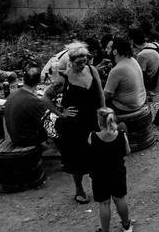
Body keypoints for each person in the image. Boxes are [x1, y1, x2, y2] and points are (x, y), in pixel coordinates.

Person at [46, 44, 103, 203]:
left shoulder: (92, 71)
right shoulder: (63, 78)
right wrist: (61, 113)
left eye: (85, 61)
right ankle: (79, 189)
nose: (82, 65)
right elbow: (45, 97)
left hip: (92, 119)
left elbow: (100, 93)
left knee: (96, 154)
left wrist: (103, 113)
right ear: (70, 61)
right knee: (76, 158)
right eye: (79, 62)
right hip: (74, 124)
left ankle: (97, 186)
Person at [89, 108, 133, 232]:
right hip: (117, 172)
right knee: (120, 199)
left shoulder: (92, 136)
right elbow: (128, 152)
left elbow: (89, 155)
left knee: (104, 203)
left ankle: (105, 230)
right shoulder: (121, 135)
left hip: (99, 174)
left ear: (99, 122)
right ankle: (126, 225)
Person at [103, 36, 146, 114]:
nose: (106, 50)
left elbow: (105, 96)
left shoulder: (116, 70)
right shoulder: (132, 60)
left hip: (127, 108)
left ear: (115, 51)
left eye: (108, 48)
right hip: (140, 101)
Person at [131, 28, 159, 100]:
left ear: (133, 42)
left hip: (154, 91)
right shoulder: (156, 45)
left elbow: (139, 78)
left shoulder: (142, 55)